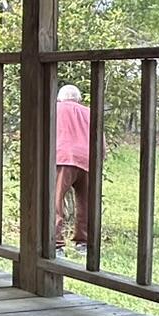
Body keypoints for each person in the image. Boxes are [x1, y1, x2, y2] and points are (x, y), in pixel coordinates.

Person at [54, 83, 93, 252]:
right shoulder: (89, 112)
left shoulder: (54, 109)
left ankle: (55, 243)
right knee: (86, 202)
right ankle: (83, 242)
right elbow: (100, 136)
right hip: (87, 158)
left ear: (59, 98)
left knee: (55, 201)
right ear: (79, 99)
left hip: (62, 158)